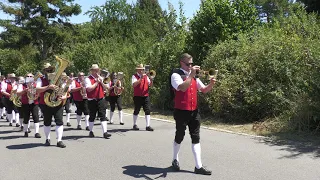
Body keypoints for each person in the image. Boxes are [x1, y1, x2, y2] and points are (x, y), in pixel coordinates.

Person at [170, 53, 216, 175]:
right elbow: (182, 87)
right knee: (179, 136)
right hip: (181, 111)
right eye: (188, 64)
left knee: (196, 137)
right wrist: (191, 75)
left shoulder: (194, 77)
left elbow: (204, 90)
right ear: (182, 63)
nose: (191, 66)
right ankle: (175, 159)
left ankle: (198, 166)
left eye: (192, 63)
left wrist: (211, 84)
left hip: (194, 111)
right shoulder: (176, 75)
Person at [36, 63, 67, 148]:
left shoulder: (59, 78)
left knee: (59, 121)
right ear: (44, 71)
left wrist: (64, 96)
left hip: (57, 102)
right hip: (45, 103)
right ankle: (47, 139)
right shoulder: (40, 79)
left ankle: (59, 140)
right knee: (47, 122)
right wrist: (48, 87)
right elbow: (37, 89)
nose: (49, 71)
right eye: (47, 70)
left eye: (50, 69)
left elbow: (64, 88)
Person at [85, 64, 111, 139]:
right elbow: (89, 89)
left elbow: (107, 87)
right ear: (92, 71)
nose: (97, 71)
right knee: (92, 116)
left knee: (103, 115)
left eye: (98, 70)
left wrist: (101, 81)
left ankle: (105, 132)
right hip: (92, 100)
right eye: (95, 70)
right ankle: (91, 131)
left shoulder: (102, 78)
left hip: (101, 99)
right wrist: (96, 82)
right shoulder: (88, 79)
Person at [17, 73, 41, 138]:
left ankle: (37, 132)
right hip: (25, 103)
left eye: (31, 76)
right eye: (28, 76)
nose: (29, 77)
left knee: (36, 117)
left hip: (34, 102)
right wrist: (24, 90)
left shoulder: (36, 84)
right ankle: (25, 131)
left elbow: (40, 92)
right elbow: (18, 93)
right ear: (25, 77)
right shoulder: (22, 84)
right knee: (26, 118)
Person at [131, 64, 154, 131]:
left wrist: (152, 79)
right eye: (141, 69)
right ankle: (134, 124)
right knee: (137, 110)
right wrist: (141, 78)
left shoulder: (146, 76)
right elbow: (134, 85)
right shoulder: (134, 76)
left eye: (143, 69)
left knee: (147, 110)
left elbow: (150, 85)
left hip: (145, 96)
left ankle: (148, 126)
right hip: (137, 96)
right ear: (137, 70)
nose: (142, 70)